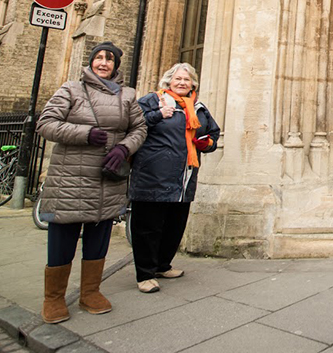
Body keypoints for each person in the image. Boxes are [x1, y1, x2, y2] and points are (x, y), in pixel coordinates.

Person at [36, 41, 146, 324]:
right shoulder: (71, 89)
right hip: (71, 177)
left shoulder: (128, 95)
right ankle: (54, 298)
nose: (104, 63)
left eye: (110, 59)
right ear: (91, 62)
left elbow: (139, 128)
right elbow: (46, 123)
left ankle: (90, 292)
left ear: (116, 66)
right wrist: (84, 134)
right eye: (99, 57)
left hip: (108, 176)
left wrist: (124, 148)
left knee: (99, 234)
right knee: (64, 236)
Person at [129, 62, 219, 293]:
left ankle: (162, 265)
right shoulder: (153, 101)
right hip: (153, 175)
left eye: (186, 80)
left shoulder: (198, 108)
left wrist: (207, 143)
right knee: (148, 227)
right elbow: (132, 125)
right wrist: (158, 115)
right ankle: (145, 274)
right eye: (178, 79)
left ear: (193, 84)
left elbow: (213, 134)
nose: (182, 83)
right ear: (168, 80)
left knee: (173, 225)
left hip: (184, 177)